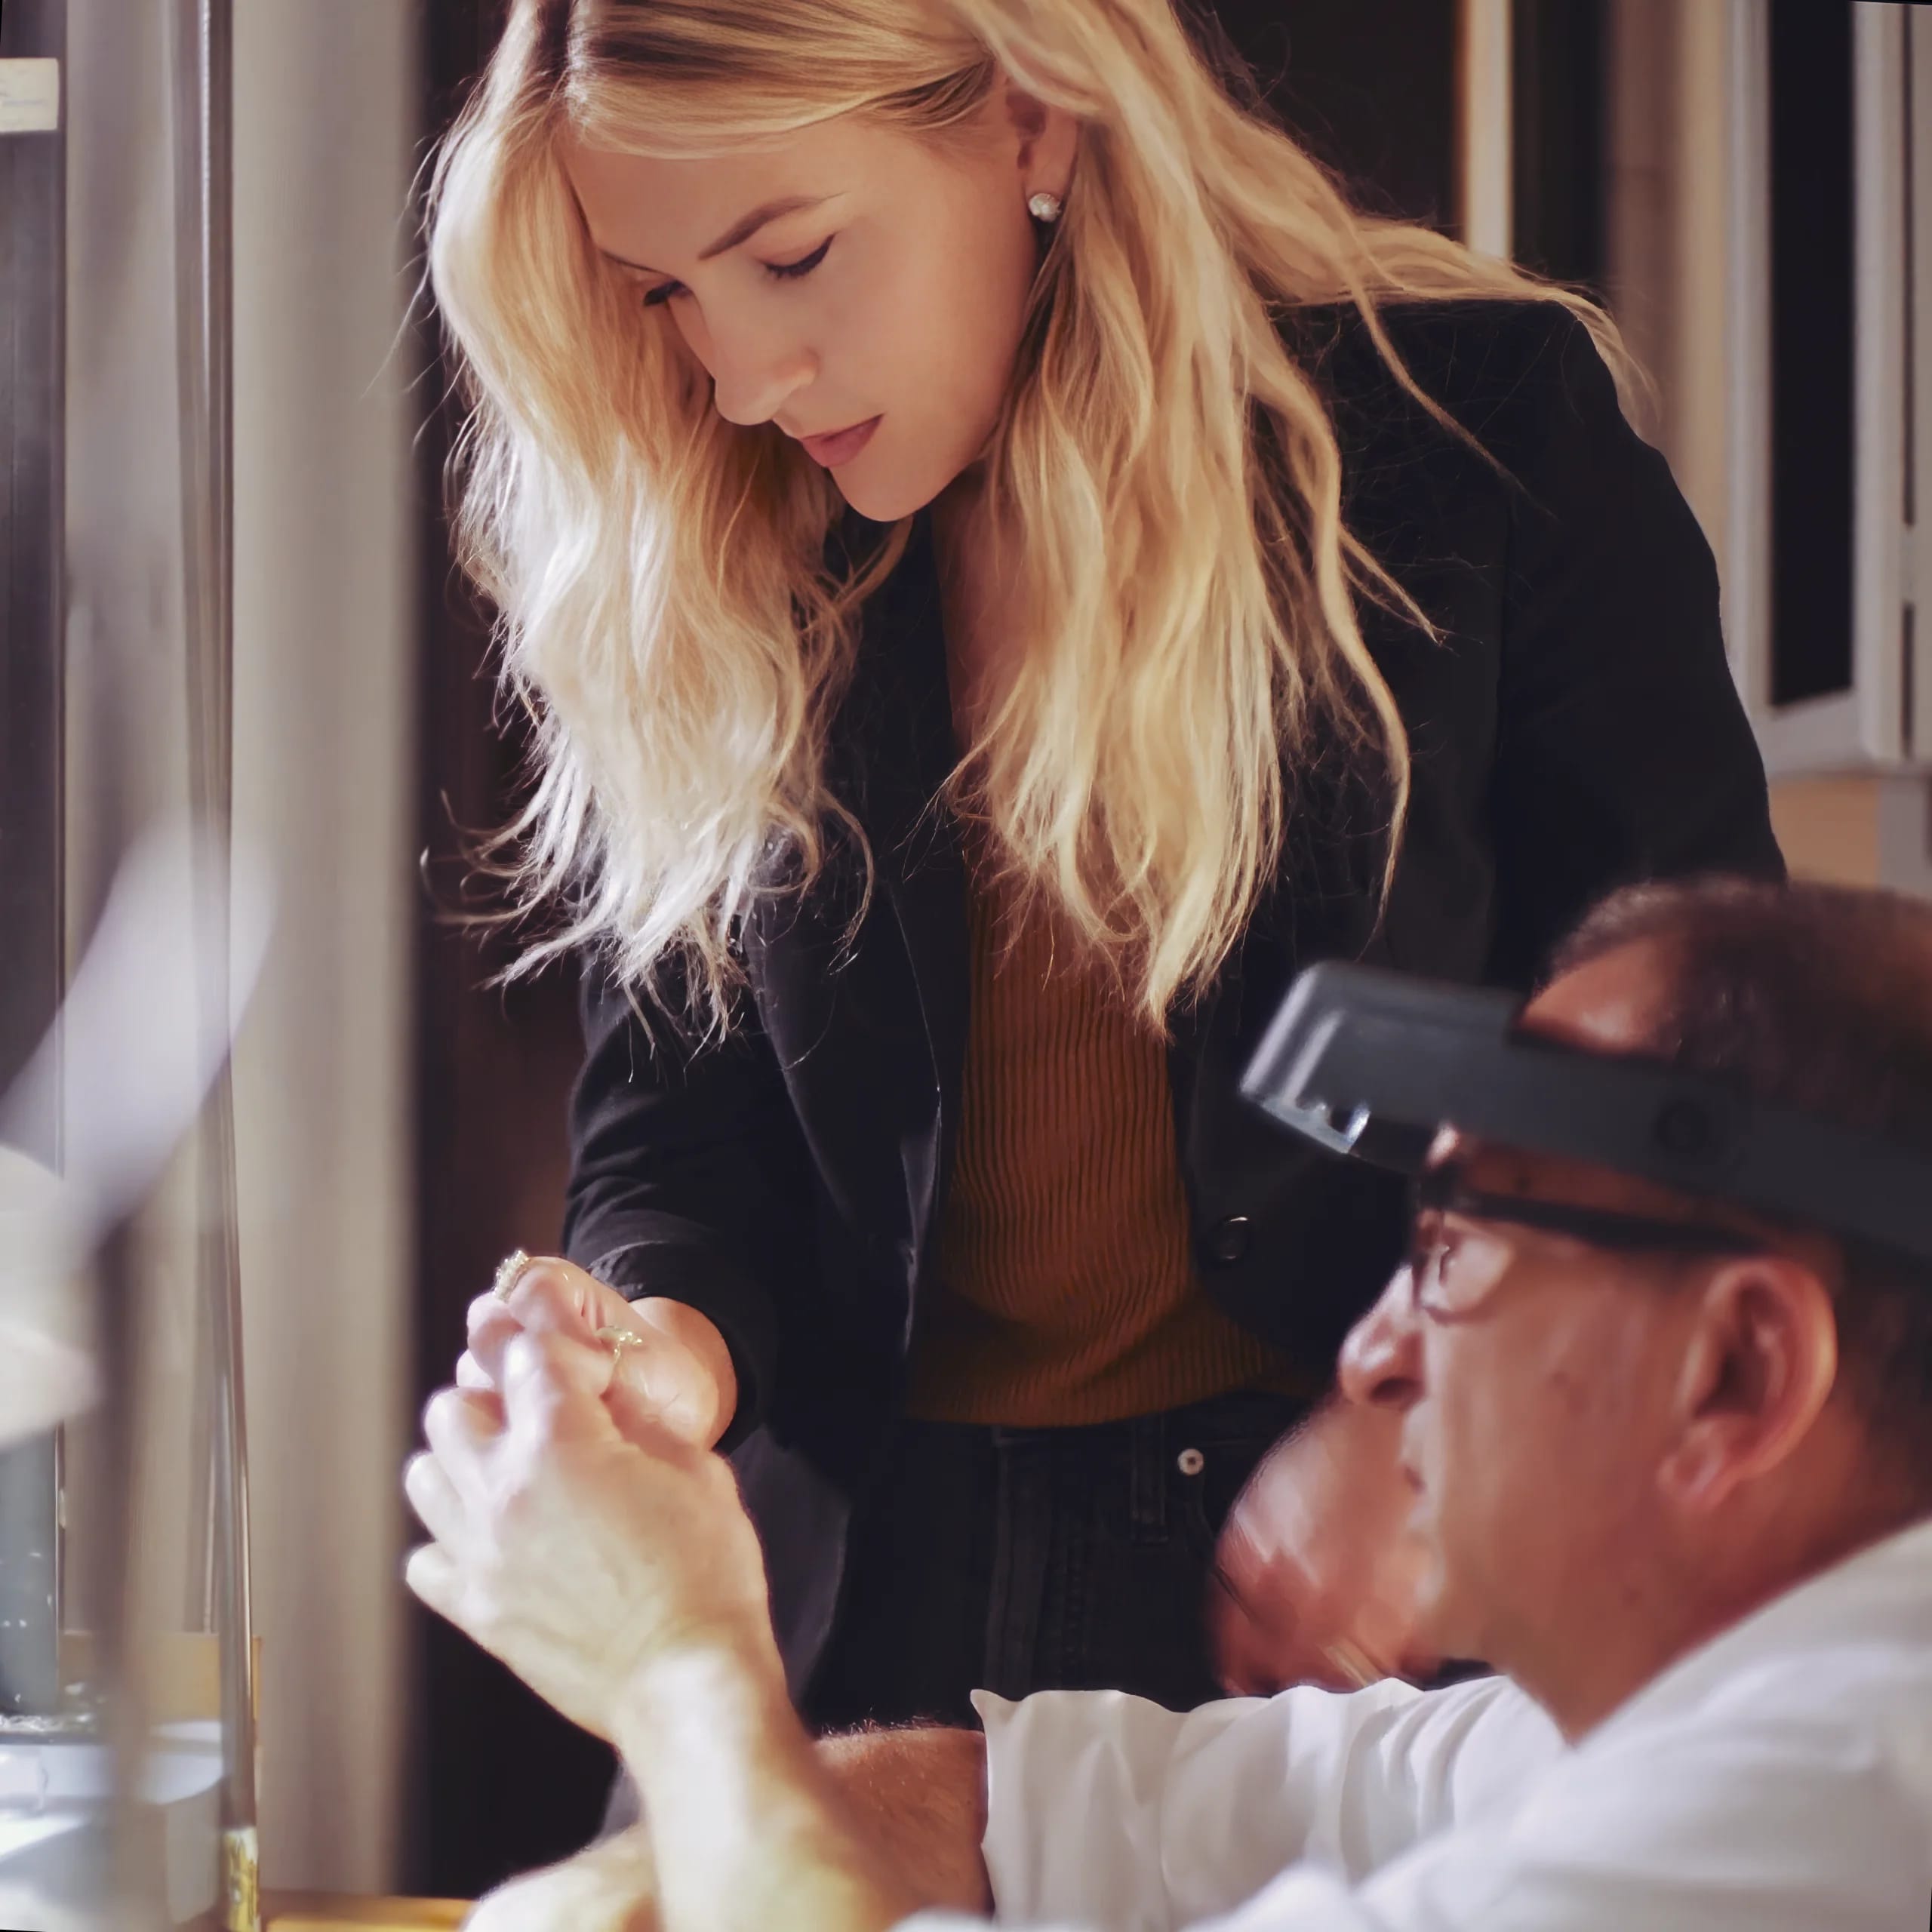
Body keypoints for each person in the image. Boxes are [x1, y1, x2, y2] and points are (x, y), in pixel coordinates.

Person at [429, 0, 1783, 1746]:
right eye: (663, 294)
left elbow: (1687, 1046)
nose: (739, 378)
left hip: (1349, 1596)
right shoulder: (718, 539)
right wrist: (662, 1346)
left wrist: (1420, 1417)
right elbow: (672, 1130)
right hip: (866, 1593)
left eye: (790, 254)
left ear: (1030, 116)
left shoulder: (1473, 440)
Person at [410, 875, 1932, 1932]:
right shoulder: (1605, 1728)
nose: (1372, 1356)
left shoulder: (1828, 1802)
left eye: (1458, 1246)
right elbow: (1071, 1805)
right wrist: (662, 1863)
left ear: (1736, 1368)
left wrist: (679, 1670)